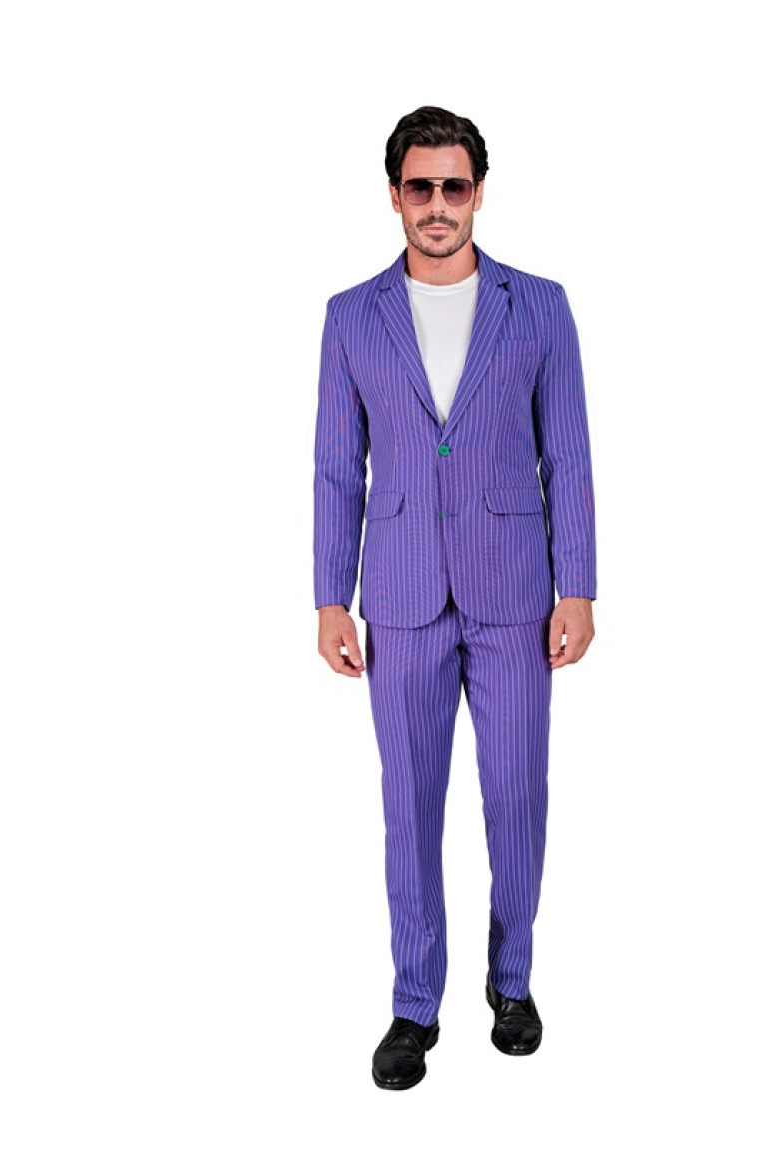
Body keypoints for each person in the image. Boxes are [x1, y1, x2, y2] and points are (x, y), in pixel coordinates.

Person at [312, 105, 598, 1090]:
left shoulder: (539, 306)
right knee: (409, 807)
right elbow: (335, 467)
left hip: (515, 593)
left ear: (478, 192)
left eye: (455, 186)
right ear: (394, 195)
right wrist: (329, 596)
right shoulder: (351, 316)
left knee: (516, 797)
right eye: (420, 187)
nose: (438, 205)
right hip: (397, 595)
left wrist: (578, 586)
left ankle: (511, 982)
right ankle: (413, 1004)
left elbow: (568, 455)